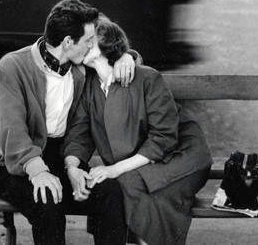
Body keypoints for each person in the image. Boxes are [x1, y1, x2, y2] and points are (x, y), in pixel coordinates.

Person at [0, 0, 138, 245]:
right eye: (89, 41)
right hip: (15, 163)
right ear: (68, 42)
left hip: (60, 158)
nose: (93, 46)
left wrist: (127, 58)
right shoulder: (12, 67)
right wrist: (38, 172)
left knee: (109, 192)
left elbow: (112, 45)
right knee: (48, 201)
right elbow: (13, 131)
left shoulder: (79, 68)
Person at [63, 19, 213, 245]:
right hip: (141, 163)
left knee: (126, 184)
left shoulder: (146, 77)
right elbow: (80, 135)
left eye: (87, 41)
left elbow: (164, 138)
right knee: (112, 186)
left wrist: (114, 169)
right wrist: (72, 166)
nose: (81, 45)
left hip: (180, 157)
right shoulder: (91, 86)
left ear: (103, 45)